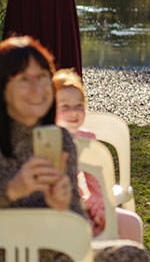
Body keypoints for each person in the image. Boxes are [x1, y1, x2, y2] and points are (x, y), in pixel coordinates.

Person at [0, 36, 150, 262]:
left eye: (42, 76)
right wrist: (12, 189)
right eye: (23, 79)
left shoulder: (61, 141)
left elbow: (76, 226)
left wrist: (61, 205)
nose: (38, 88)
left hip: (54, 255)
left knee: (133, 255)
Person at [53, 68, 143, 243]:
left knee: (132, 223)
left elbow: (97, 184)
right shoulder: (45, 138)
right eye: (65, 107)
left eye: (79, 106)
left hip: (80, 205)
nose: (74, 112)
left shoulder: (86, 140)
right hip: (54, 210)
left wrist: (99, 208)